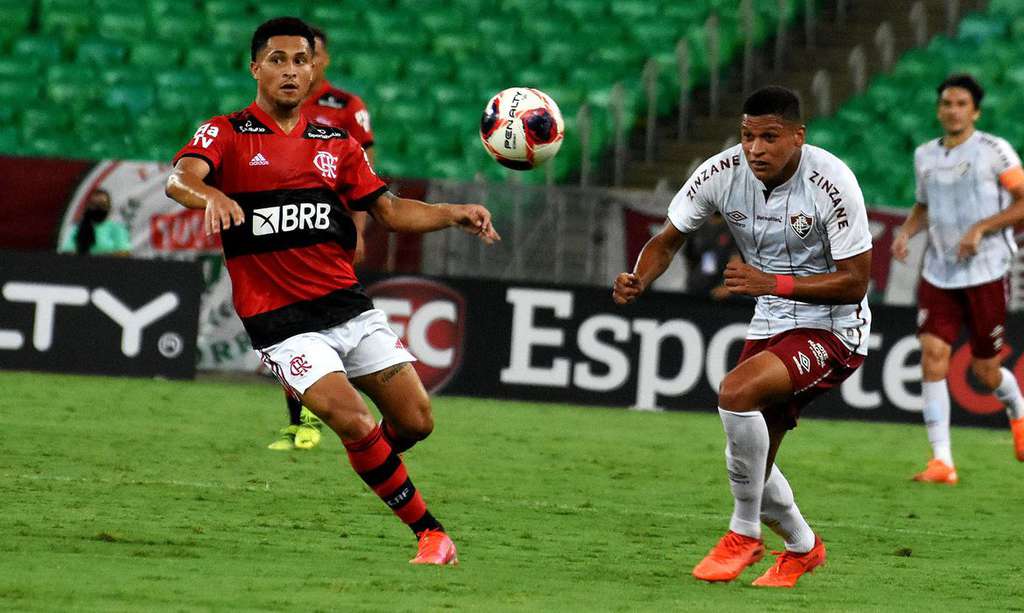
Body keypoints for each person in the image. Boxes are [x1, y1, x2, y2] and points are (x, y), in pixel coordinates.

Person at [165, 17, 499, 565]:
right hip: (281, 321)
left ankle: (372, 462)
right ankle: (431, 535)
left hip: (347, 307)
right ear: (255, 68)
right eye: (277, 60)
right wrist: (210, 196)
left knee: (416, 422)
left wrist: (452, 213)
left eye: (301, 60)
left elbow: (390, 211)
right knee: (354, 420)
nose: (290, 70)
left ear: (314, 68)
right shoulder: (226, 132)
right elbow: (180, 178)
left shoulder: (335, 143)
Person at [613, 86, 872, 588]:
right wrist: (639, 277)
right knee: (753, 462)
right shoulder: (720, 172)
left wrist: (772, 282)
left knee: (735, 392)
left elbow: (855, 281)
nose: (755, 148)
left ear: (798, 137)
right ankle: (803, 549)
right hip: (770, 317)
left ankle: (743, 533)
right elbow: (667, 240)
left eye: (769, 137)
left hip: (834, 327)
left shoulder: (833, 182)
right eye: (747, 135)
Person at [892, 74, 1024, 484]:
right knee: (933, 355)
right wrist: (906, 232)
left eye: (961, 104)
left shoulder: (994, 151)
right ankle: (942, 462)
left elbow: (1023, 201)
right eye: (947, 103)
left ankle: (1018, 412)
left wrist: (981, 228)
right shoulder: (925, 155)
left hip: (987, 271)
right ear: (939, 109)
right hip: (939, 272)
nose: (953, 110)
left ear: (975, 111)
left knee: (986, 372)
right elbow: (923, 205)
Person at [267, 25, 380, 452]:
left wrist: (359, 229)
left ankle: (325, 413)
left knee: (325, 320)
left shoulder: (347, 107)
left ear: (322, 60)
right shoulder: (280, 104)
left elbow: (365, 172)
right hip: (285, 227)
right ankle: (302, 420)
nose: (299, 65)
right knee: (289, 322)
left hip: (332, 227)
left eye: (307, 56)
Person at [59, 188, 131, 256]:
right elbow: (67, 252)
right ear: (87, 207)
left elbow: (123, 253)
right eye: (94, 205)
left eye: (103, 205)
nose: (98, 207)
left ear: (109, 208)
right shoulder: (76, 229)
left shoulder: (117, 229)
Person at [681, 212, 736, 300]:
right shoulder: (697, 225)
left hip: (722, 286)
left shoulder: (733, 228)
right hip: (697, 284)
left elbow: (736, 258)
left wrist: (728, 286)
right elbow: (689, 255)